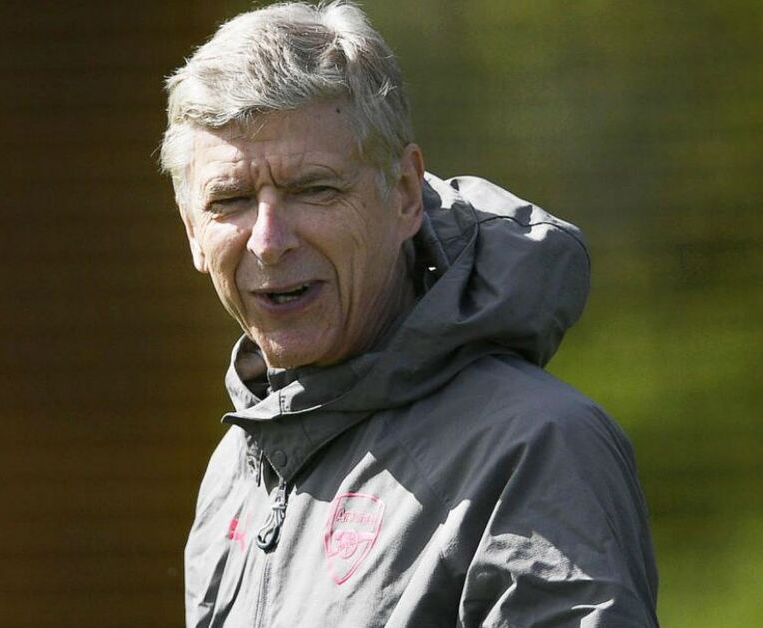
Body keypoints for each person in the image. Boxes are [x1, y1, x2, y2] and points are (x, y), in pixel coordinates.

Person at [158, 2, 659, 626]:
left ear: (403, 195)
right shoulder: (234, 471)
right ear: (192, 232)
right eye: (230, 200)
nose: (268, 241)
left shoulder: (535, 447)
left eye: (313, 189)